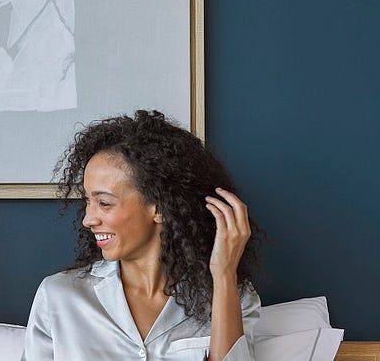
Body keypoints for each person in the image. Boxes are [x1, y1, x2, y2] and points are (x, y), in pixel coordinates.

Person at [22, 110, 265, 361]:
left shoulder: (231, 299)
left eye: (104, 203)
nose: (88, 219)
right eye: (88, 201)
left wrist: (224, 276)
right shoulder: (59, 296)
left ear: (159, 207)